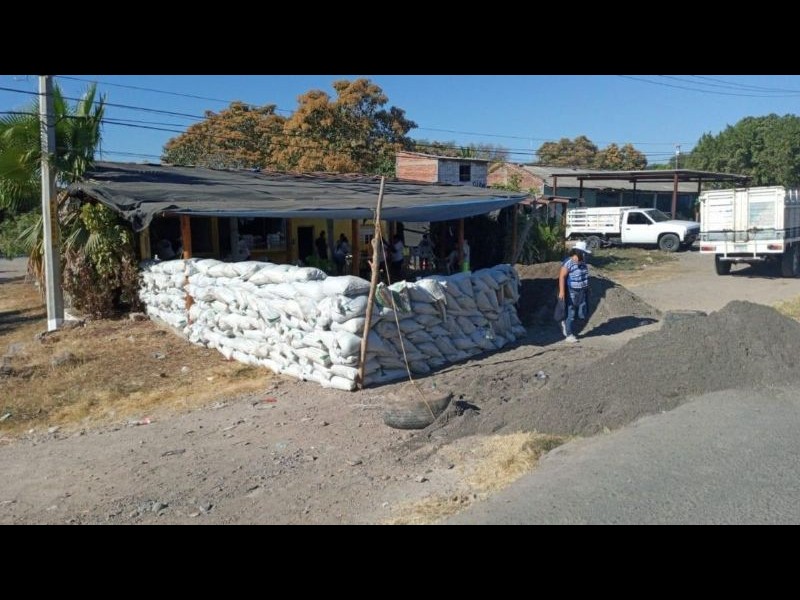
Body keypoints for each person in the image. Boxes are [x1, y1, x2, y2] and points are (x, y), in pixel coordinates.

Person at [558, 240, 591, 343]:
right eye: (583, 253)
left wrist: (587, 288)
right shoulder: (568, 262)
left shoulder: (583, 262)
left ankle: (568, 325)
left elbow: (584, 275)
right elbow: (562, 277)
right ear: (578, 252)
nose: (584, 255)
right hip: (572, 291)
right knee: (571, 312)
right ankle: (569, 334)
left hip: (583, 291)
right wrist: (562, 292)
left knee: (582, 312)